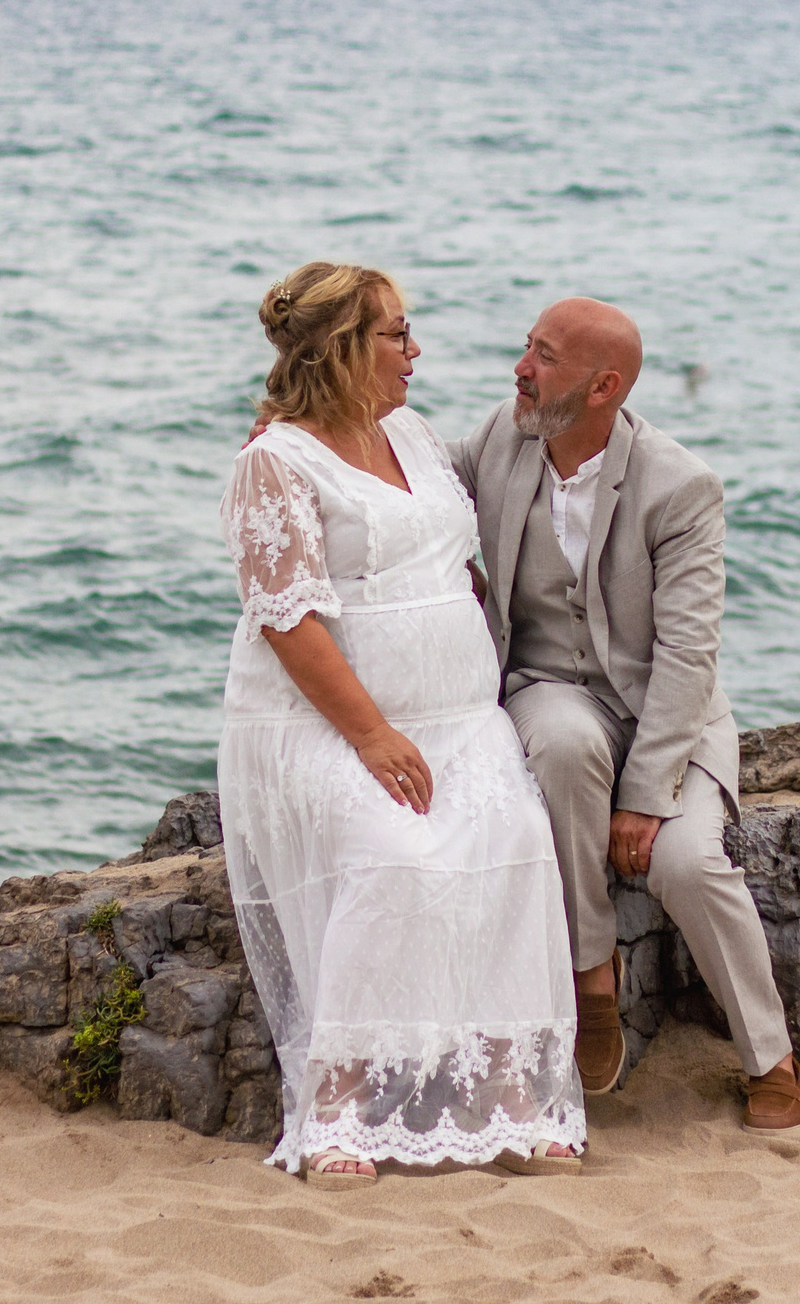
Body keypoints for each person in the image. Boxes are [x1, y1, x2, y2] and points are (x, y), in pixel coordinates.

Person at [216, 261, 586, 1187]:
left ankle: (513, 1094)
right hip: (326, 724)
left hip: (462, 722)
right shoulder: (274, 462)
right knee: (395, 856)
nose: (415, 353)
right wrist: (373, 735)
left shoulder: (414, 435)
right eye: (396, 335)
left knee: (513, 842)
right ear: (344, 349)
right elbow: (290, 620)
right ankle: (339, 1104)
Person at [449, 297, 800, 1131]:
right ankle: (590, 974)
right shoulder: (502, 438)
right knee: (568, 747)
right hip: (550, 688)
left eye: (543, 355)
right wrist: (294, 436)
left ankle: (773, 1057)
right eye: (526, 347)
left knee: (684, 864)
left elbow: (688, 658)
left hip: (665, 715)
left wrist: (647, 795)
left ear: (604, 386)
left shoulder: (680, 487)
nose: (520, 368)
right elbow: (402, 470)